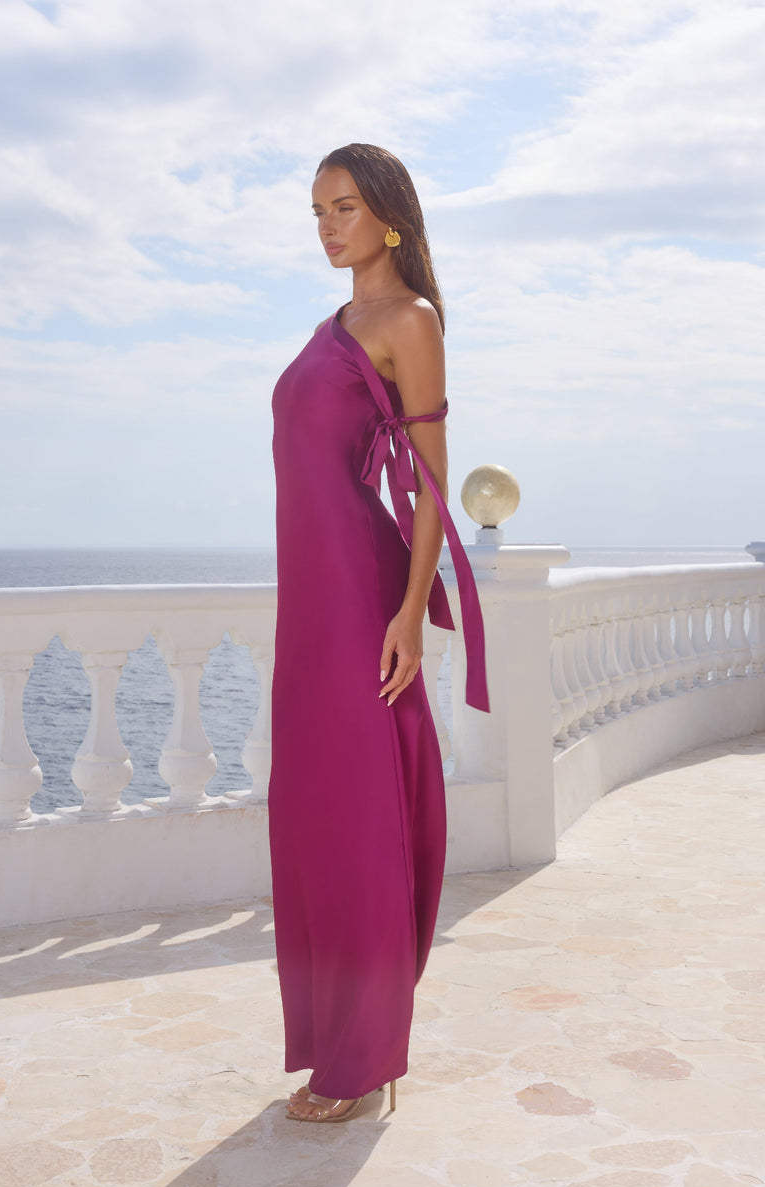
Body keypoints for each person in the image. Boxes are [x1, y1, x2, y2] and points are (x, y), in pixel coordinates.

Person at [269, 143, 489, 1124]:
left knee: (359, 826)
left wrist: (407, 609)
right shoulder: (333, 324)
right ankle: (334, 1040)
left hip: (361, 596)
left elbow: (434, 484)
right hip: (307, 606)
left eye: (343, 208)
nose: (326, 227)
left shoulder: (409, 320)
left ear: (388, 216)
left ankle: (360, 1064)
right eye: (316, 211)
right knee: (315, 822)